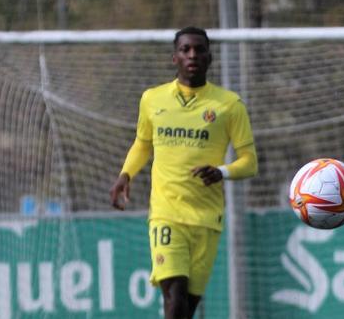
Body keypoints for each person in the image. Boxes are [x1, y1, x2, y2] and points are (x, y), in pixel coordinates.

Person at [109, 27, 258, 319]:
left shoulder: (229, 105)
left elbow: (249, 162)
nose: (192, 55)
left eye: (199, 49)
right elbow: (143, 143)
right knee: (174, 296)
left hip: (206, 219)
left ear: (210, 57)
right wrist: (125, 174)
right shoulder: (153, 99)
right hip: (167, 213)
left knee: (184, 309)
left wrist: (222, 172)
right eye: (186, 49)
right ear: (174, 57)